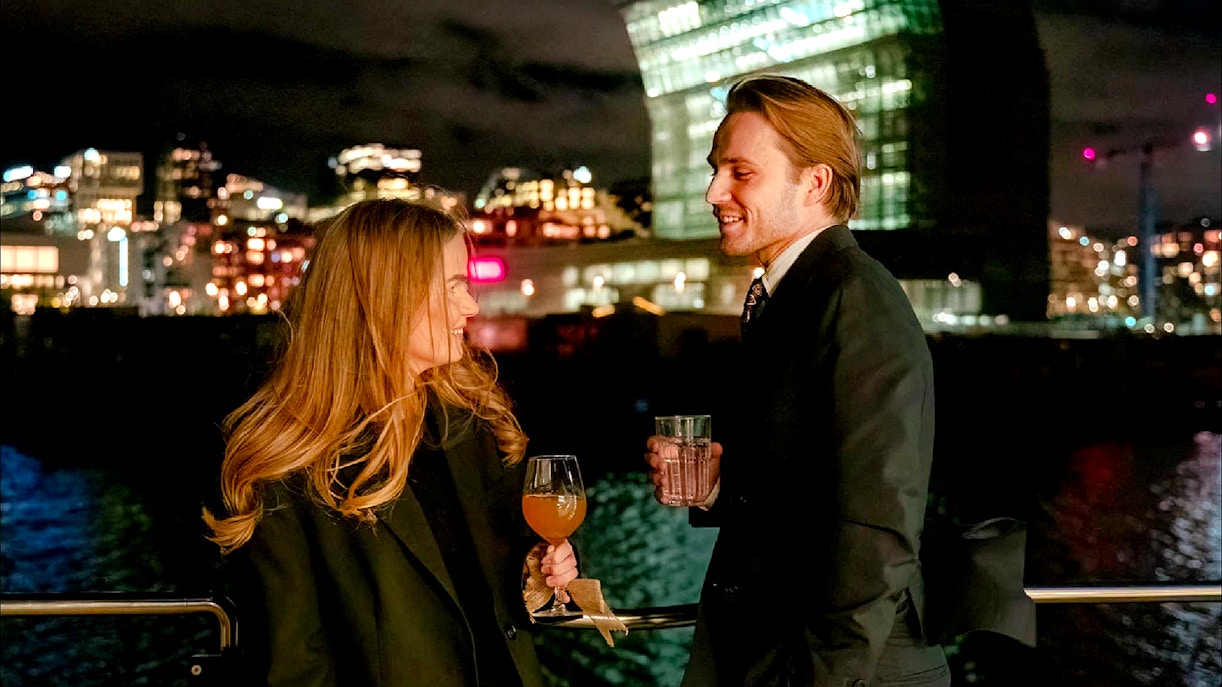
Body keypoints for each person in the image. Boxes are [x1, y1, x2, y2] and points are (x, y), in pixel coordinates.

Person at [645, 75, 949, 686]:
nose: (713, 191)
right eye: (715, 169)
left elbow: (876, 526)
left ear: (815, 183)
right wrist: (715, 487)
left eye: (740, 172)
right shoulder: (799, 292)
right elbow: (804, 491)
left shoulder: (855, 297)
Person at [203, 197, 578, 687]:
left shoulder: (472, 422)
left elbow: (517, 562)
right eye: (454, 286)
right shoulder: (285, 464)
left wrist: (540, 570)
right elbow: (295, 667)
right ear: (385, 296)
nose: (471, 305)